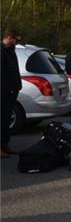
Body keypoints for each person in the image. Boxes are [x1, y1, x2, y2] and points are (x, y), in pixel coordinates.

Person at [1, 29, 22, 157]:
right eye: (15, 39)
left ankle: (4, 144)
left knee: (6, 119)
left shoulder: (10, 51)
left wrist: (16, 86)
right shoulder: (2, 51)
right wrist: (6, 88)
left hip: (11, 91)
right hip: (4, 91)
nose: (16, 42)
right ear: (9, 38)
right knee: (1, 119)